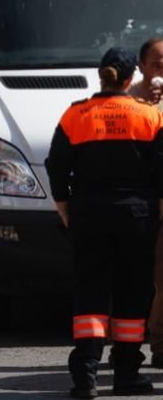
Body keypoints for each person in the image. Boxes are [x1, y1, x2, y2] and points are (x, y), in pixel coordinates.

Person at [48, 46, 163, 398]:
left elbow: (56, 165)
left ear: (102, 75)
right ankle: (127, 372)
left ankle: (85, 376)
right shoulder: (149, 116)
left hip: (88, 214)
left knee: (90, 291)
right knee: (133, 291)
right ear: (131, 78)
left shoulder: (76, 115)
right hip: (136, 216)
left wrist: (64, 206)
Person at [131, 37, 163, 370]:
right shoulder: (126, 103)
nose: (161, 72)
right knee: (135, 279)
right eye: (156, 64)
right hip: (136, 207)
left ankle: (158, 345)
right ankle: (128, 346)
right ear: (141, 67)